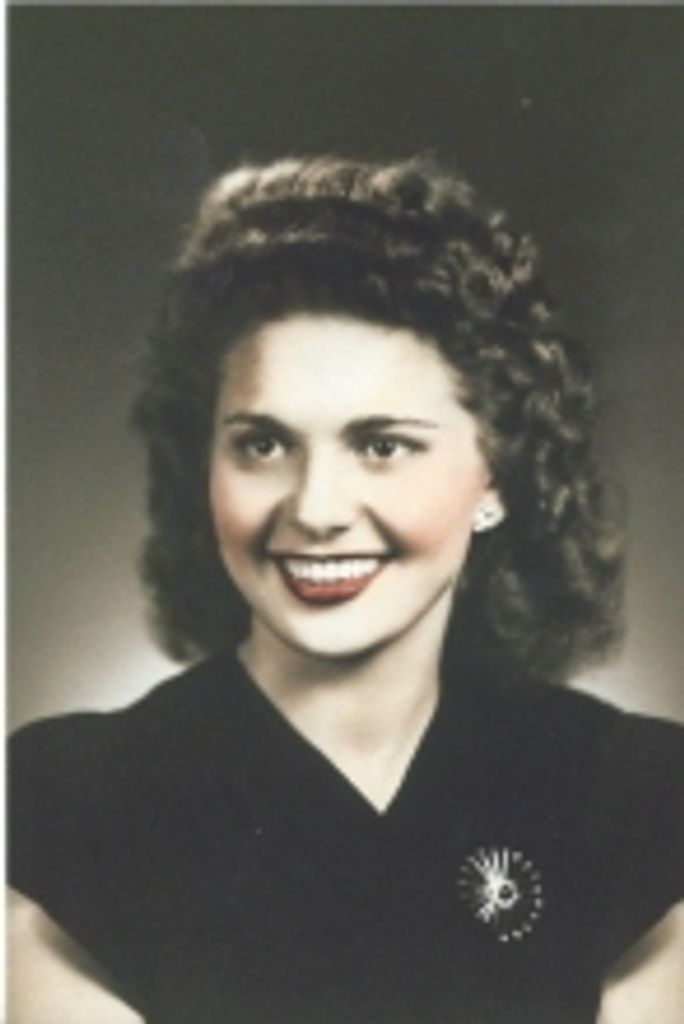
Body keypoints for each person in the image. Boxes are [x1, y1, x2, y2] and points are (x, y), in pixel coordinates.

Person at [9, 156, 684, 1024]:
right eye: (262, 445)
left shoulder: (630, 796)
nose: (315, 509)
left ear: (498, 477)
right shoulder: (70, 803)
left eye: (382, 445)